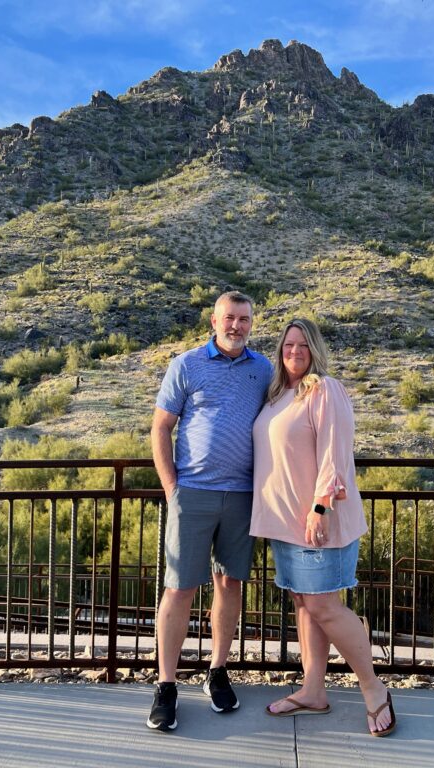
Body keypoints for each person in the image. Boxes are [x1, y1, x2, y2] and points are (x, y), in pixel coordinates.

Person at [250, 318, 396, 737]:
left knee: (324, 606)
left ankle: (373, 688)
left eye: (303, 345)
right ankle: (313, 691)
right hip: (285, 524)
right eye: (288, 345)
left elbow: (335, 450)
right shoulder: (280, 395)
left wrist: (320, 506)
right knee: (305, 603)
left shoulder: (324, 389)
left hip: (317, 520)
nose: (294, 352)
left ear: (315, 349)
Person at [147, 290, 273, 731]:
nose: (236, 325)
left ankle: (217, 671)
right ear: (213, 321)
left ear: (251, 324)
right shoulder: (187, 364)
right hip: (193, 492)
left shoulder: (264, 370)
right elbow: (161, 426)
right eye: (229, 318)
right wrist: (171, 488)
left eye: (244, 319)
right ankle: (166, 685)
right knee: (179, 587)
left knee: (230, 582)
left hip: (242, 495)